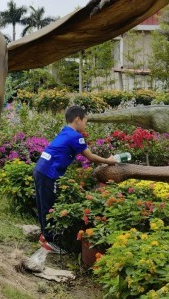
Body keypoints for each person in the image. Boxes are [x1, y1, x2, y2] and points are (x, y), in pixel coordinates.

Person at [33, 105, 116, 254]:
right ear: (78, 119)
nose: (85, 125)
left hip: (40, 168)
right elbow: (89, 157)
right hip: (49, 173)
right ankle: (50, 241)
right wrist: (110, 161)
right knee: (49, 205)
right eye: (85, 121)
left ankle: (44, 236)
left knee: (42, 203)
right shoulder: (75, 136)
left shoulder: (65, 131)